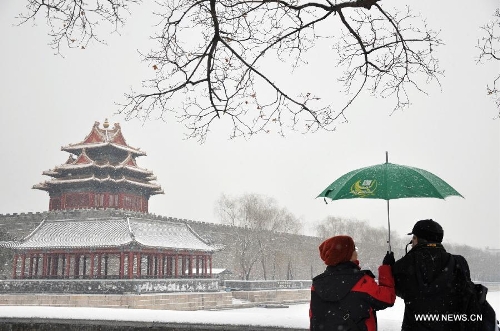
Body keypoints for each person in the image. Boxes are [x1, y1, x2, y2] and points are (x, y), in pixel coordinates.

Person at [390, 219, 475, 331]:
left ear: (417, 239)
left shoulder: (406, 263)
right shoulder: (459, 263)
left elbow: (395, 289)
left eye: (414, 238)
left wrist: (390, 267)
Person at [310, 235, 396, 331]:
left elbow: (314, 317)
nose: (356, 252)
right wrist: (386, 268)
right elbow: (388, 298)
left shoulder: (316, 284)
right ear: (346, 254)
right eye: (354, 249)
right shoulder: (362, 282)